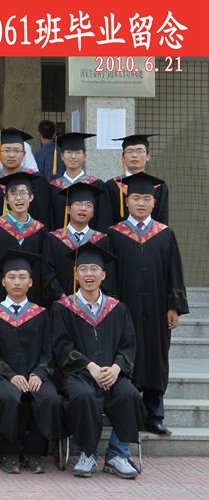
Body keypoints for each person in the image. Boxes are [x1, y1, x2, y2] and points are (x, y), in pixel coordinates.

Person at [52, 243, 145, 479]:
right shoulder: (63, 308)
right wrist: (90, 367)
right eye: (83, 269)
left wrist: (116, 368)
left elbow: (128, 344)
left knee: (130, 395)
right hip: (78, 375)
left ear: (103, 274)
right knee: (83, 396)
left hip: (112, 374)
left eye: (94, 269)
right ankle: (88, 454)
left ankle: (117, 454)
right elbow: (61, 346)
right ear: (75, 274)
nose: (89, 274)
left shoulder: (117, 308)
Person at [107, 172, 188, 436]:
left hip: (157, 309)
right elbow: (110, 275)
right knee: (125, 354)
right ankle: (126, 411)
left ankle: (154, 415)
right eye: (136, 198)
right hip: (125, 308)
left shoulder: (165, 234)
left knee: (156, 358)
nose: (141, 203)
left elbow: (174, 272)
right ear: (127, 201)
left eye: (146, 198)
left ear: (154, 202)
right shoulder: (115, 234)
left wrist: (173, 307)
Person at [0, 250, 62, 474]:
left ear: (31, 282)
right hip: (3, 377)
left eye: (22, 277)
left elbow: (49, 352)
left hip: (36, 375)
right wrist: (10, 375)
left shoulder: (42, 314)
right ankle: (9, 452)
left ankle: (34, 453)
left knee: (49, 397)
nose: (17, 282)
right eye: (12, 277)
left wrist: (39, 374)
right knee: (7, 396)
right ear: (3, 282)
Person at [0, 171, 62, 307]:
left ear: (31, 197)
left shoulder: (40, 230)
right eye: (13, 193)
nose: (19, 198)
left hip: (32, 295)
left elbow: (46, 267)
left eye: (23, 193)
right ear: (6, 200)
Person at [42, 182, 114, 297]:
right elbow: (48, 273)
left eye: (88, 205)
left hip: (94, 303)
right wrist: (62, 297)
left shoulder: (102, 240)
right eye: (78, 204)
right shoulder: (53, 239)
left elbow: (108, 276)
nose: (83, 208)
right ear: (68, 209)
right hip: (61, 303)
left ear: (93, 213)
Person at [46, 133, 112, 232]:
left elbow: (103, 219)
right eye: (68, 152)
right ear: (62, 156)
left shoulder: (97, 185)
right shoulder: (53, 187)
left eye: (78, 152)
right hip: (58, 240)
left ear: (84, 156)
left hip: (90, 240)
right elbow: (49, 219)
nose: (73, 156)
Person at [0, 127, 51, 224]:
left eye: (17, 151)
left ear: (24, 154)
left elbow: (44, 215)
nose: (11, 155)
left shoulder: (37, 180)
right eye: (7, 150)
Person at [105, 134, 170, 225]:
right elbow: (106, 220)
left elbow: (162, 219)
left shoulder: (159, 186)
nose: (134, 155)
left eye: (139, 151)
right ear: (123, 157)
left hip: (151, 233)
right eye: (130, 151)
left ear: (148, 156)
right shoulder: (111, 186)